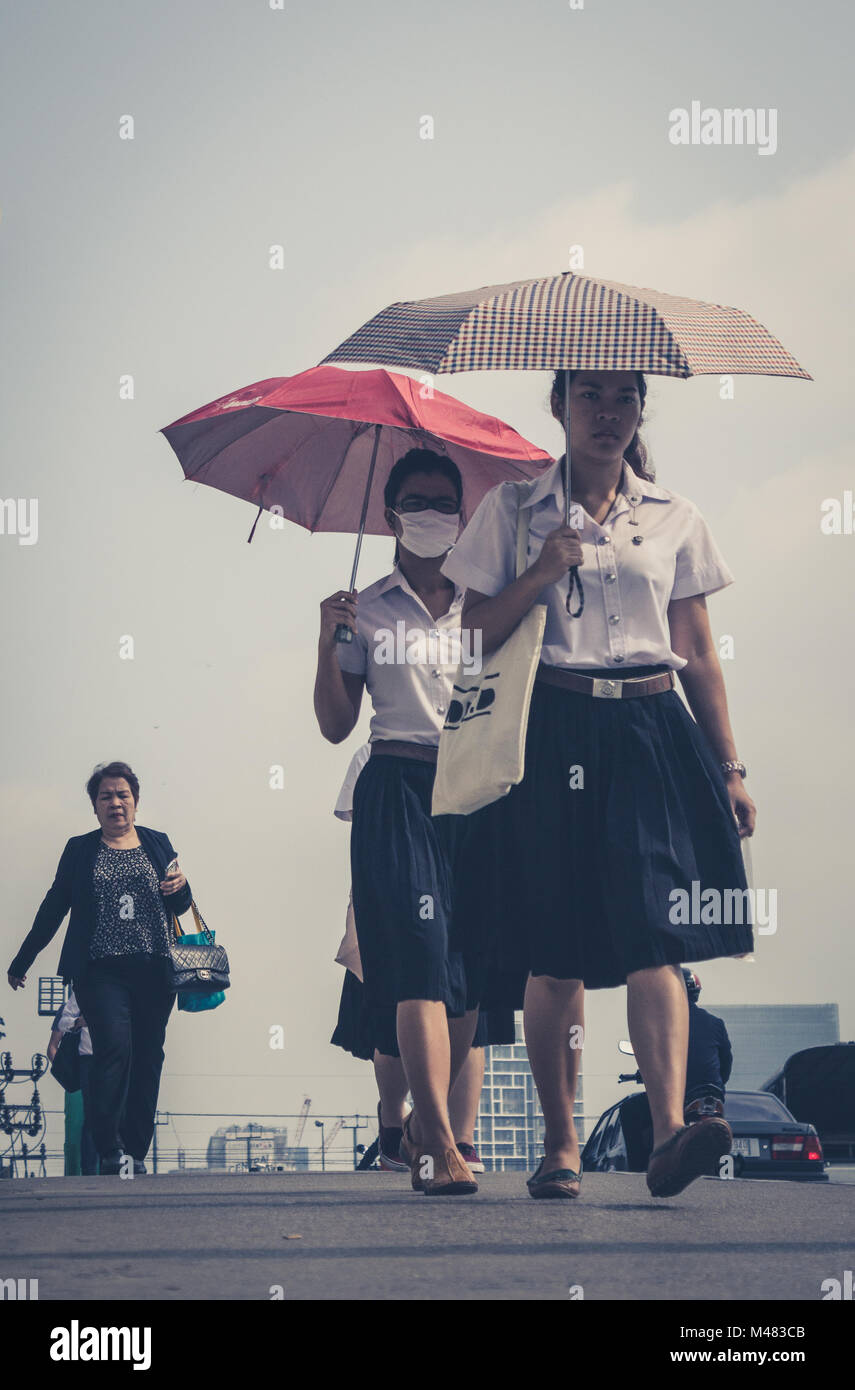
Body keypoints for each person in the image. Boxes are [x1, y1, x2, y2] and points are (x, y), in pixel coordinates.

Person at [442, 369, 755, 1200]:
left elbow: (699, 651)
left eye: (624, 399)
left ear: (640, 411)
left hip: (653, 730)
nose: (607, 414)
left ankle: (666, 1135)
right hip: (551, 726)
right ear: (558, 406)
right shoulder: (510, 510)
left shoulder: (674, 516)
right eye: (590, 398)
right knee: (555, 948)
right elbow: (468, 636)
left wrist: (728, 767)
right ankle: (559, 1144)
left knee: (658, 930)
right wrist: (542, 570)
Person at [314, 449, 485, 1195]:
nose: (431, 514)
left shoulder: (487, 601)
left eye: (445, 502)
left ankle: (428, 1124)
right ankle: (439, 1142)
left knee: (470, 974)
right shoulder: (366, 607)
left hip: (476, 787)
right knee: (415, 954)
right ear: (388, 515)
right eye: (415, 501)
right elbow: (332, 722)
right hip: (396, 785)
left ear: (463, 514)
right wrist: (329, 639)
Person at [328, 743, 516, 1174]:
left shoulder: (484, 737)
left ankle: (460, 1137)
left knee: (473, 1019)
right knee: (390, 1016)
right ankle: (394, 1125)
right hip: (399, 889)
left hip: (466, 889)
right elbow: (368, 833)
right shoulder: (373, 754)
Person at [7, 761, 191, 1175]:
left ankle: (136, 1152)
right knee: (113, 1051)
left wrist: (182, 886)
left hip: (154, 969)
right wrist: (24, 959)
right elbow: (54, 905)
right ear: (95, 806)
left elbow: (180, 905)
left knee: (148, 1057)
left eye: (123, 795)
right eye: (106, 796)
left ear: (136, 802)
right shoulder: (80, 850)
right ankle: (110, 1148)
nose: (115, 803)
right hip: (99, 971)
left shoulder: (158, 844)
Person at [47, 992, 98, 1175]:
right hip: (82, 1070)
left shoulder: (121, 1001)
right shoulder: (71, 1007)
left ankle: (117, 1174)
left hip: (107, 1064)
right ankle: (84, 1174)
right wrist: (68, 1075)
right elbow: (52, 1046)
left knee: (106, 1121)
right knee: (82, 1127)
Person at [683, 968, 733, 1102]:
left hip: (680, 1095)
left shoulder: (665, 1024)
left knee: (633, 1110)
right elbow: (726, 1062)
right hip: (714, 1093)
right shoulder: (716, 1023)